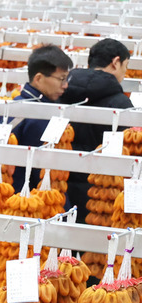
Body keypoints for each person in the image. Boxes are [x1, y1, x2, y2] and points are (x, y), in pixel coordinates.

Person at [62, 38, 133, 223]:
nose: (124, 73)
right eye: (125, 65)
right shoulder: (121, 104)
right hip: (101, 195)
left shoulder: (61, 92)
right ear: (116, 62)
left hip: (59, 187)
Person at [9, 44, 74, 194]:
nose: (65, 85)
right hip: (29, 202)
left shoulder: (22, 105)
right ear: (39, 78)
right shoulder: (35, 117)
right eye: (61, 79)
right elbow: (42, 171)